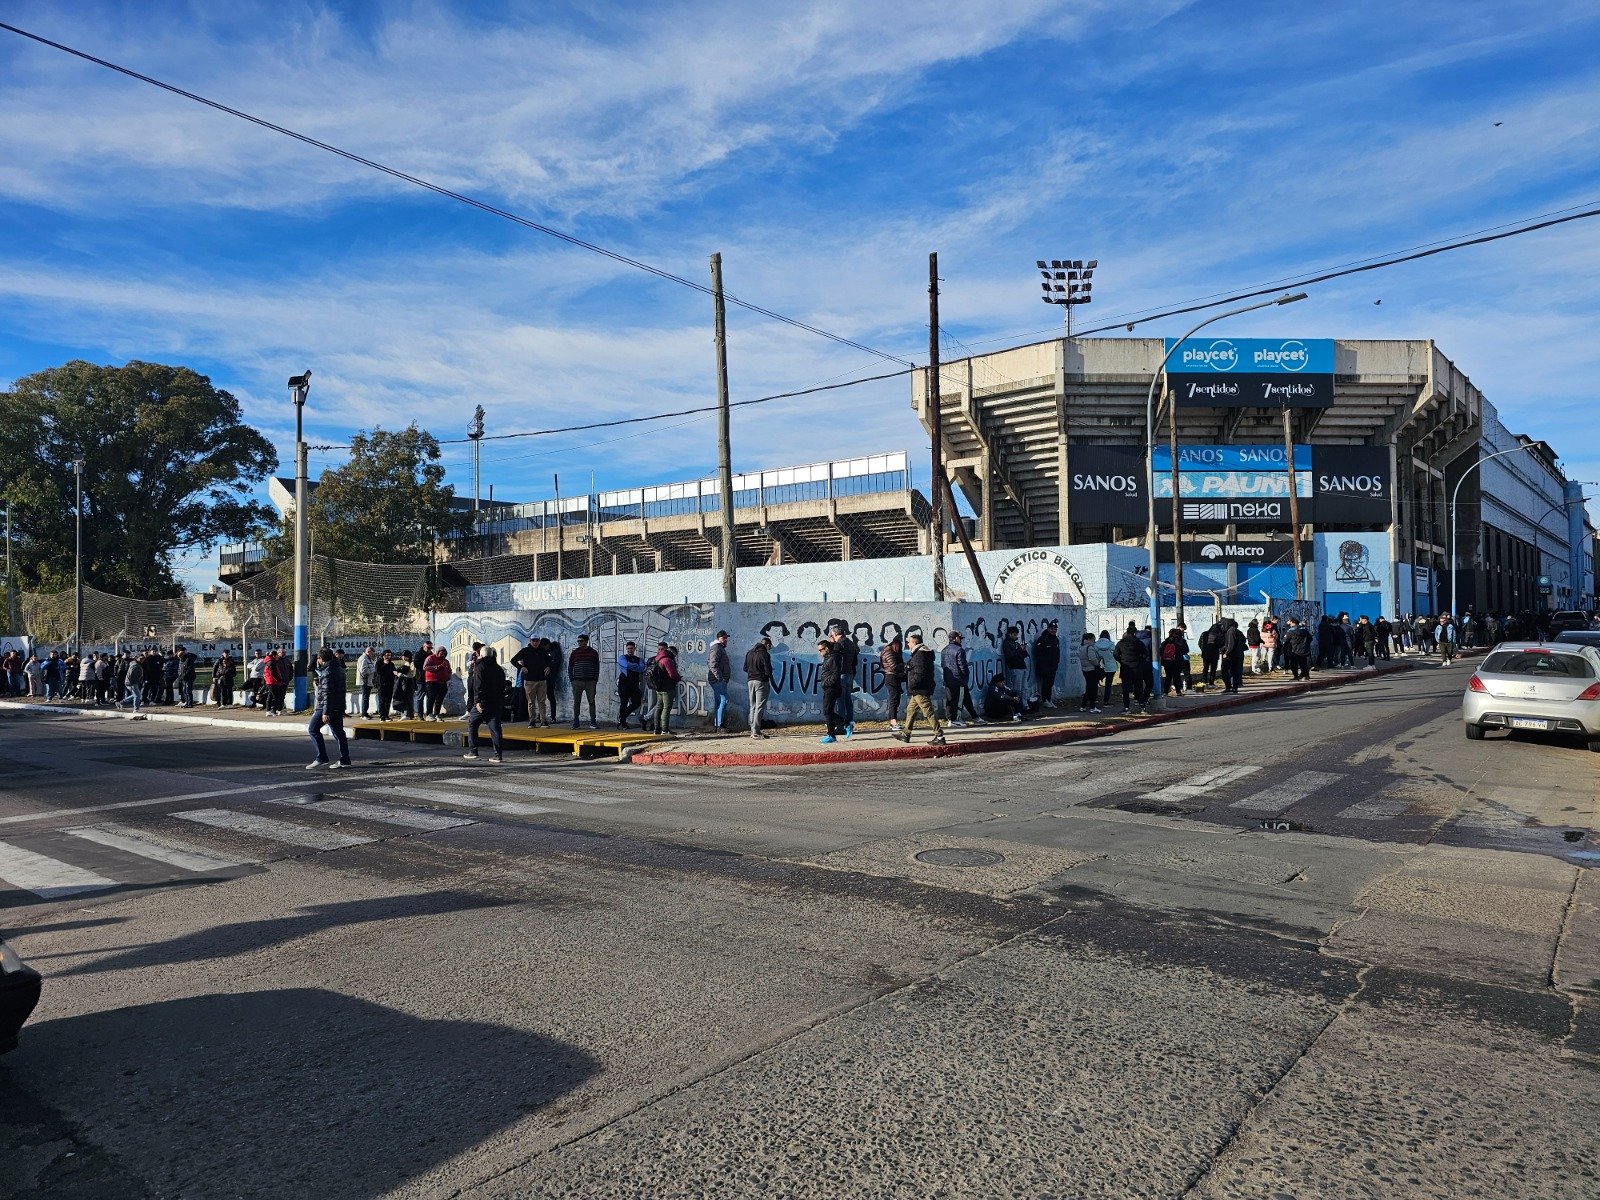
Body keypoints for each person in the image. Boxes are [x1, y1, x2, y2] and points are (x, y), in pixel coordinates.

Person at [895, 632, 945, 745]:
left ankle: (940, 736)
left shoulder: (920, 655)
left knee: (928, 712)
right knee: (911, 709)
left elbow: (919, 674)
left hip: (920, 689)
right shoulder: (921, 654)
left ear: (915, 643)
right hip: (919, 689)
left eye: (909, 642)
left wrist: (911, 685)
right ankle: (906, 734)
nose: (908, 644)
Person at [307, 646, 351, 769]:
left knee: (313, 729)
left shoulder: (327, 672)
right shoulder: (339, 668)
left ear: (321, 658)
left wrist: (325, 712)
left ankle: (321, 757)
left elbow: (327, 693)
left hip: (326, 707)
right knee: (339, 733)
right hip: (338, 706)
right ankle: (345, 759)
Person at [463, 646, 507, 763]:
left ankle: (473, 751)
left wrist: (477, 702)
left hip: (483, 703)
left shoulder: (479, 667)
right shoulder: (499, 668)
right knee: (495, 728)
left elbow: (477, 686)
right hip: (496, 702)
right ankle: (498, 755)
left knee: (472, 724)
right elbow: (503, 685)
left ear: (481, 655)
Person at [940, 632, 982, 726]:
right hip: (959, 680)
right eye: (960, 638)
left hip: (948, 680)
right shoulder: (959, 650)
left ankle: (975, 717)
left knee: (960, 699)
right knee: (958, 701)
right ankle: (955, 720)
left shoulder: (944, 650)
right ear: (955, 638)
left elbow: (943, 665)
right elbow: (962, 666)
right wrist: (965, 675)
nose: (961, 640)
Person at [828, 625, 860, 735]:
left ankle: (842, 726)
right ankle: (850, 723)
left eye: (832, 635)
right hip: (849, 673)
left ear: (835, 634)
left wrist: (832, 644)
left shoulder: (838, 644)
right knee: (848, 700)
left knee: (840, 701)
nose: (831, 637)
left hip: (841, 674)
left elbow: (834, 659)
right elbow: (855, 660)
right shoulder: (851, 643)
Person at [511, 637, 548, 728]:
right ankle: (532, 721)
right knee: (531, 702)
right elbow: (513, 660)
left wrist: (548, 667)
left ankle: (543, 721)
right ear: (530, 641)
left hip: (541, 679)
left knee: (542, 701)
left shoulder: (542, 651)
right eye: (533, 641)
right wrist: (521, 667)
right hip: (529, 680)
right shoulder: (525, 651)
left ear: (539, 641)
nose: (535, 642)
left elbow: (549, 661)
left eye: (537, 641)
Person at [1114, 622, 1150, 713]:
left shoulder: (1120, 643)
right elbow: (1146, 654)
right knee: (1139, 688)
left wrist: (1122, 661)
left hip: (1125, 668)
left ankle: (1126, 708)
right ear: (1135, 633)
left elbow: (1115, 655)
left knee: (1125, 689)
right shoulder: (1138, 643)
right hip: (1137, 668)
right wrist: (1139, 660)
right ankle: (1142, 707)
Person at [568, 633, 601, 729]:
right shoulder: (574, 653)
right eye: (578, 641)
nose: (579, 643)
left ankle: (593, 721)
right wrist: (572, 679)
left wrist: (595, 679)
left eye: (581, 641)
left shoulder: (593, 652)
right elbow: (570, 666)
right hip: (577, 681)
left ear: (586, 641)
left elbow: (596, 667)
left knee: (591, 701)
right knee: (576, 702)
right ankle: (576, 721)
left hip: (590, 681)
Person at [744, 634, 773, 739]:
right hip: (761, 681)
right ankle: (756, 732)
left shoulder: (749, 652)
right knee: (759, 706)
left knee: (753, 706)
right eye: (770, 646)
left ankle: (752, 729)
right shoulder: (764, 654)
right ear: (767, 644)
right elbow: (768, 670)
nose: (770, 648)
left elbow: (745, 668)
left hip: (750, 681)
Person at [648, 642, 679, 735]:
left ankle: (657, 729)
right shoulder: (667, 660)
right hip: (667, 688)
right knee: (666, 708)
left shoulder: (657, 658)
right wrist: (679, 678)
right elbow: (672, 674)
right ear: (672, 653)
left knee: (659, 707)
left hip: (659, 687)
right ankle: (665, 729)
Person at [817, 638, 844, 744]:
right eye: (819, 650)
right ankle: (844, 724)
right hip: (829, 688)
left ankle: (831, 735)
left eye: (821, 649)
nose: (820, 652)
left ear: (827, 648)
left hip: (832, 688)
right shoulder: (829, 657)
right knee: (828, 711)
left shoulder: (833, 658)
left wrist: (826, 683)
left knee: (827, 711)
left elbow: (836, 674)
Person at [879, 633, 906, 733]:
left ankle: (893, 721)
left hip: (894, 677)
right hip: (892, 677)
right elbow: (893, 666)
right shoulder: (889, 652)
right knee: (894, 700)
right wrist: (904, 665)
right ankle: (893, 722)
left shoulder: (890, 651)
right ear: (895, 644)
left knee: (895, 699)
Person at [706, 630, 732, 732]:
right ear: (718, 638)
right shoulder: (716, 648)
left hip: (718, 679)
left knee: (718, 702)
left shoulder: (719, 648)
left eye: (726, 638)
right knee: (724, 700)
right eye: (723, 638)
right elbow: (712, 664)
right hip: (717, 680)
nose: (726, 640)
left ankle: (717, 725)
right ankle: (720, 725)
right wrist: (720, 678)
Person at [617, 641, 646, 729]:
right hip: (624, 684)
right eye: (628, 648)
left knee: (637, 703)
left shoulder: (639, 659)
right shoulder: (622, 657)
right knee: (624, 703)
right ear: (626, 649)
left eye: (631, 648)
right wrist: (635, 666)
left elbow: (641, 668)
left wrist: (631, 666)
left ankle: (622, 717)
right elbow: (626, 665)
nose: (630, 650)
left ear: (634, 649)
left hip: (634, 684)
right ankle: (623, 723)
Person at [1031, 620, 1061, 706]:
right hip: (1044, 666)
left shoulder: (1056, 639)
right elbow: (1037, 652)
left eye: (1055, 629)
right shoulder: (1042, 639)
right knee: (1045, 683)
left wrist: (1056, 663)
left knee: (1050, 683)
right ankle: (1045, 700)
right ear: (1048, 629)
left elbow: (1058, 652)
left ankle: (1049, 699)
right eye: (1051, 629)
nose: (1053, 630)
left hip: (1053, 666)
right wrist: (1043, 664)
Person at [422, 645, 452, 718]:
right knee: (431, 698)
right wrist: (437, 667)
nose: (443, 655)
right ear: (437, 652)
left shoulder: (446, 661)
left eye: (444, 654)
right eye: (441, 653)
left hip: (442, 682)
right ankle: (429, 714)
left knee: (440, 698)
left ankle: (436, 714)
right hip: (432, 682)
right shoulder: (430, 658)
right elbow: (425, 667)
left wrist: (448, 676)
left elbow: (449, 670)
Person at [1220, 618, 1248, 693]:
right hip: (1237, 654)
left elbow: (1231, 643)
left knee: (1225, 671)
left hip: (1231, 655)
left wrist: (1226, 652)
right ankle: (1234, 687)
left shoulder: (1231, 631)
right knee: (1234, 671)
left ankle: (1230, 687)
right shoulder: (1235, 630)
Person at [1001, 627, 1029, 701]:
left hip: (1022, 666)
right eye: (1014, 635)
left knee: (1025, 688)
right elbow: (1009, 655)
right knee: (1017, 688)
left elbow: (1024, 656)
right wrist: (1019, 649)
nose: (1016, 636)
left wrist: (1024, 650)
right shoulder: (1006, 643)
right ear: (1010, 634)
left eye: (1017, 635)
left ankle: (1025, 705)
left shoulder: (1016, 643)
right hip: (1015, 667)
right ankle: (1018, 706)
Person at [1159, 628, 1187, 697]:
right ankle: (1178, 691)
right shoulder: (1181, 641)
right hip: (1177, 661)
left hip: (1167, 661)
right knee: (1176, 676)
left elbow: (1160, 651)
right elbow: (1186, 650)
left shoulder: (1166, 641)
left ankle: (1165, 692)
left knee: (1168, 676)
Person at [1079, 633, 1103, 713]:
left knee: (1089, 688)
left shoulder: (1082, 647)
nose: (1094, 641)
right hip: (1092, 670)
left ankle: (1083, 706)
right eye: (1093, 639)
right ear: (1089, 639)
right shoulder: (1090, 648)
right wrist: (1097, 663)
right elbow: (1093, 659)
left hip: (1085, 670)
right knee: (1092, 689)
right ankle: (1092, 707)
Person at [1199, 619, 1224, 690]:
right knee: (1213, 669)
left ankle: (1204, 681)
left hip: (1205, 654)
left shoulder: (1204, 634)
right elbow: (1220, 645)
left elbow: (1199, 643)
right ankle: (1211, 682)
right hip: (1214, 654)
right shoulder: (1218, 635)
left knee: (1205, 668)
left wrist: (1204, 649)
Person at [1095, 630, 1117, 707]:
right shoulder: (1112, 645)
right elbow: (1116, 655)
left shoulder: (1096, 645)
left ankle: (1094, 699)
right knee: (1108, 685)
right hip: (1111, 667)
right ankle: (1106, 701)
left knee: (1094, 683)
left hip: (1099, 667)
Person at [545, 638, 564, 724]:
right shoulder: (548, 652)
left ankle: (553, 717)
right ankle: (543, 716)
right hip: (545, 677)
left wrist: (549, 667)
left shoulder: (554, 652)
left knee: (550, 697)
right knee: (544, 698)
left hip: (550, 678)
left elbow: (556, 663)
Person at [357, 647, 379, 717]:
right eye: (372, 653)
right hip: (364, 681)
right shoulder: (363, 659)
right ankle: (364, 714)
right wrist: (374, 670)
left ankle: (365, 713)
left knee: (366, 697)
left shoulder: (367, 658)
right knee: (365, 698)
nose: (372, 655)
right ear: (368, 652)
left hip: (368, 681)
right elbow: (363, 671)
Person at [375, 649, 397, 720]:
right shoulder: (379, 663)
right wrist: (385, 664)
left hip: (390, 684)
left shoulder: (391, 664)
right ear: (383, 655)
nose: (388, 657)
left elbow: (394, 672)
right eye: (386, 655)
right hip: (381, 684)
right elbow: (378, 672)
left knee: (388, 700)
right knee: (382, 700)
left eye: (389, 655)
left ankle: (386, 715)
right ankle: (382, 715)